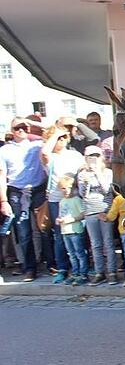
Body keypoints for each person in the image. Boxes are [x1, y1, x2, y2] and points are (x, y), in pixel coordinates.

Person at [0, 117, 47, 281]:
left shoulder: (37, 144)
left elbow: (53, 129)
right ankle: (29, 268)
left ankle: (52, 264)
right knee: (23, 232)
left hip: (38, 189)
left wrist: (31, 122)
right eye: (17, 128)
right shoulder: (5, 150)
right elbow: (2, 175)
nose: (21, 130)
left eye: (24, 127)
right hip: (17, 193)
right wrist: (3, 201)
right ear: (11, 131)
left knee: (45, 228)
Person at [41, 124, 85, 282]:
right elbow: (44, 152)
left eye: (64, 137)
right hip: (57, 200)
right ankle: (62, 268)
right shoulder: (50, 157)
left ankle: (82, 268)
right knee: (60, 235)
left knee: (79, 234)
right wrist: (55, 134)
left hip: (76, 198)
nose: (61, 140)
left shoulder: (75, 155)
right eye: (58, 138)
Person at [77, 145, 116, 285]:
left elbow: (107, 190)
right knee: (95, 244)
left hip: (105, 209)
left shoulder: (108, 172)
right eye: (90, 156)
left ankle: (112, 271)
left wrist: (97, 173)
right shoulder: (82, 174)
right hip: (90, 211)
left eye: (96, 156)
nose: (93, 159)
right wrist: (86, 183)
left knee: (108, 242)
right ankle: (100, 272)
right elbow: (82, 195)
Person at [53, 176, 88, 286]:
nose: (66, 190)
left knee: (80, 253)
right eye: (63, 188)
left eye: (69, 188)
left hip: (75, 230)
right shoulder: (62, 201)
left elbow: (83, 214)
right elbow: (61, 214)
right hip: (65, 231)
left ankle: (83, 274)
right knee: (71, 254)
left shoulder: (77, 200)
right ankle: (75, 273)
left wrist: (70, 220)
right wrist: (59, 220)